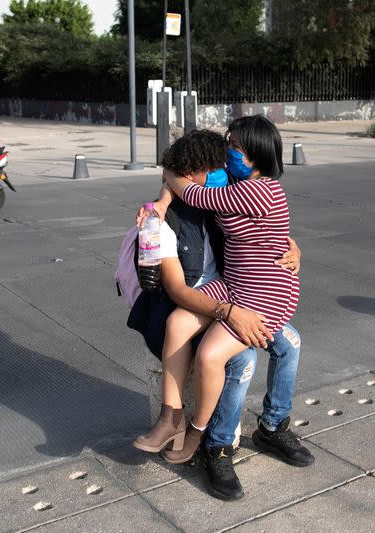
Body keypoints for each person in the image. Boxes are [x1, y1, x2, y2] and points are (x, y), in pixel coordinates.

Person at [133, 119, 312, 500]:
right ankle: (171, 415)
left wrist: (292, 246)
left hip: (266, 293)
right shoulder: (228, 184)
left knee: (224, 355)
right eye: (228, 145)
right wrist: (161, 200)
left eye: (237, 148)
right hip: (235, 285)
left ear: (258, 155)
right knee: (178, 322)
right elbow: (185, 182)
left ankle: (209, 440)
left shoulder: (256, 190)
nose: (229, 155)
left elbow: (194, 191)